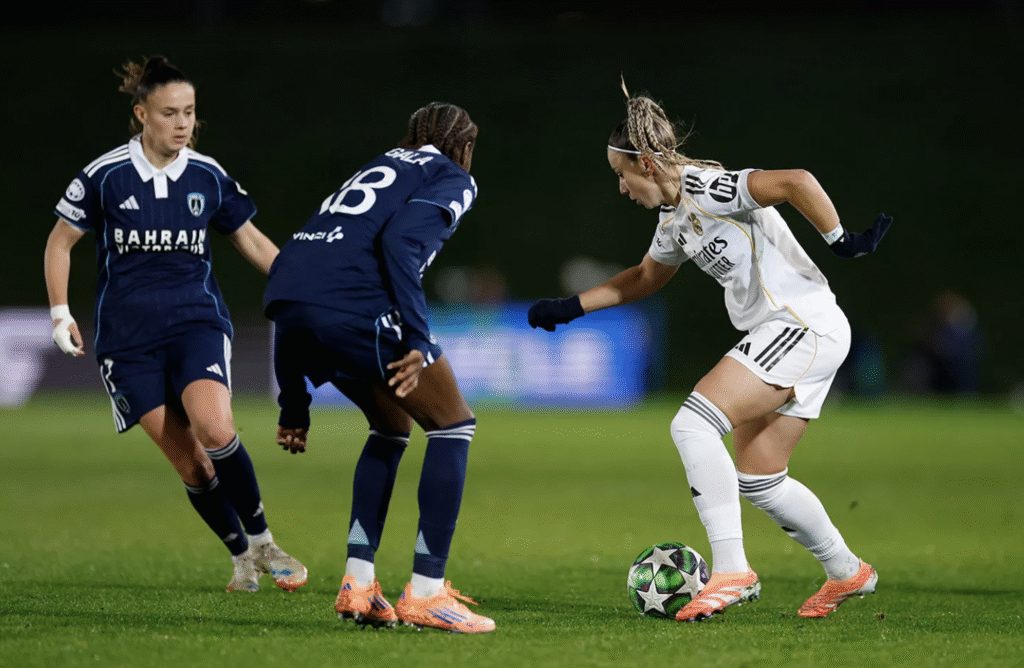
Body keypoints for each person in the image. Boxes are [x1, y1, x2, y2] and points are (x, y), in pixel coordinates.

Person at [528, 85, 892, 621]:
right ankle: (848, 571)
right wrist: (571, 307)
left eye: (621, 174)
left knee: (692, 425)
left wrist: (841, 239)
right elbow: (645, 277)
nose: (621, 188)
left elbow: (796, 182)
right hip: (795, 333)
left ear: (647, 164)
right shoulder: (674, 219)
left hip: (799, 324)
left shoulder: (710, 188)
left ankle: (732, 571)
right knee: (761, 478)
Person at [43, 56, 306, 593]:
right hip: (127, 342)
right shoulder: (105, 175)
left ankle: (262, 540)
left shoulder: (207, 175)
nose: (183, 123)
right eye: (170, 113)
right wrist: (59, 313)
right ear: (142, 113)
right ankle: (240, 559)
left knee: (215, 428)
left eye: (189, 112)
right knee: (190, 465)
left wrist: (300, 287)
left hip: (196, 324)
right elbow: (60, 242)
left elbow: (250, 239)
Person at [263, 102, 495, 633]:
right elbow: (400, 244)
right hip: (354, 305)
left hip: (288, 296)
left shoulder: (378, 165)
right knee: (454, 424)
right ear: (463, 147)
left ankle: (359, 583)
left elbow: (296, 296)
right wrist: (415, 336)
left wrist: (294, 405)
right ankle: (428, 593)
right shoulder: (452, 175)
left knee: (391, 426)